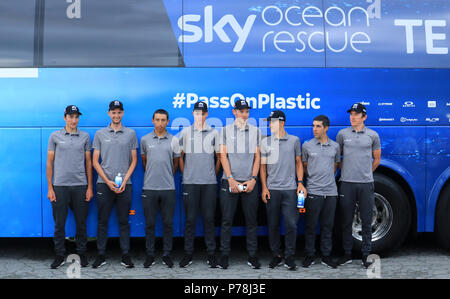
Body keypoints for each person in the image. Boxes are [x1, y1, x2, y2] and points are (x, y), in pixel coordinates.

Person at [92, 100, 138, 269]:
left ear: (123, 113)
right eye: (113, 112)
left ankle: (125, 255)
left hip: (125, 185)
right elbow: (95, 162)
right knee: (102, 221)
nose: (116, 115)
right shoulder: (100, 134)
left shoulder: (131, 134)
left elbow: (134, 161)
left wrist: (125, 180)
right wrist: (107, 181)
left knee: (124, 221)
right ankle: (101, 255)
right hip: (104, 184)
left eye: (119, 112)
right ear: (109, 114)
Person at [47, 105, 93, 269]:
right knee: (59, 224)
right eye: (70, 116)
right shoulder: (55, 136)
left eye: (76, 117)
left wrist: (89, 187)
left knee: (81, 223)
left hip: (80, 186)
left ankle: (81, 253)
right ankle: (59, 255)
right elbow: (50, 163)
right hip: (60, 186)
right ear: (64, 117)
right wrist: (50, 188)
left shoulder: (85, 137)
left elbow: (89, 163)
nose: (73, 120)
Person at [336, 103, 381, 269]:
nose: (353, 117)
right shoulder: (342, 134)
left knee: (366, 220)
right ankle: (347, 254)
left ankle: (366, 255)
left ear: (364, 117)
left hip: (366, 184)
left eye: (356, 114)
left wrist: (366, 172)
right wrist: (345, 170)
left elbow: (376, 159)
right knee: (346, 220)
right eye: (351, 114)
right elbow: (337, 156)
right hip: (346, 183)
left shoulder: (373, 135)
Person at [218, 99, 262, 269]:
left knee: (251, 221)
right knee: (227, 220)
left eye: (247, 111)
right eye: (241, 111)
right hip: (229, 182)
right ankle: (224, 255)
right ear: (234, 111)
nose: (244, 114)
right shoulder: (225, 130)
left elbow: (258, 157)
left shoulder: (256, 131)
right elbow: (223, 156)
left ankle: (252, 256)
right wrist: (230, 179)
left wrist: (253, 179)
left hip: (250, 183)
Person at [260, 110, 306, 270]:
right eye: (269, 122)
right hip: (272, 189)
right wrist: (264, 187)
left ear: (281, 123)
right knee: (272, 225)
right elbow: (263, 167)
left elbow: (299, 162)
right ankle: (276, 255)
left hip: (290, 189)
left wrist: (300, 183)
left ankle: (290, 256)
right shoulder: (265, 142)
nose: (269, 125)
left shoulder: (294, 141)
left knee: (291, 224)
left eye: (272, 122)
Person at [178, 102, 221, 268]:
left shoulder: (214, 133)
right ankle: (188, 254)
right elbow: (179, 156)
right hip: (190, 183)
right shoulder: (186, 132)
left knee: (209, 219)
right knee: (190, 220)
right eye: (197, 113)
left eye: (203, 113)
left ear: (207, 114)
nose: (200, 116)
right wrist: (186, 173)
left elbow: (219, 157)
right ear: (193, 114)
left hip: (209, 183)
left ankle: (211, 254)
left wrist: (213, 173)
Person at [141, 109, 180, 268]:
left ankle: (166, 254)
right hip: (149, 188)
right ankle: (150, 255)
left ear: (168, 121)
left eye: (163, 120)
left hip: (168, 188)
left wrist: (167, 175)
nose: (160, 123)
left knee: (168, 223)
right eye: (157, 119)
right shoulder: (144, 139)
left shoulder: (174, 140)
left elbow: (176, 163)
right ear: (153, 121)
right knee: (150, 224)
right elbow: (144, 162)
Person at [301, 115, 340, 269]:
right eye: (313, 126)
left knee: (327, 225)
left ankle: (326, 255)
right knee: (310, 225)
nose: (314, 129)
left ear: (326, 128)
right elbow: (304, 167)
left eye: (318, 126)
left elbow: (335, 166)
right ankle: (310, 255)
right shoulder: (307, 146)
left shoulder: (335, 146)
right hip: (313, 191)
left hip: (331, 192)